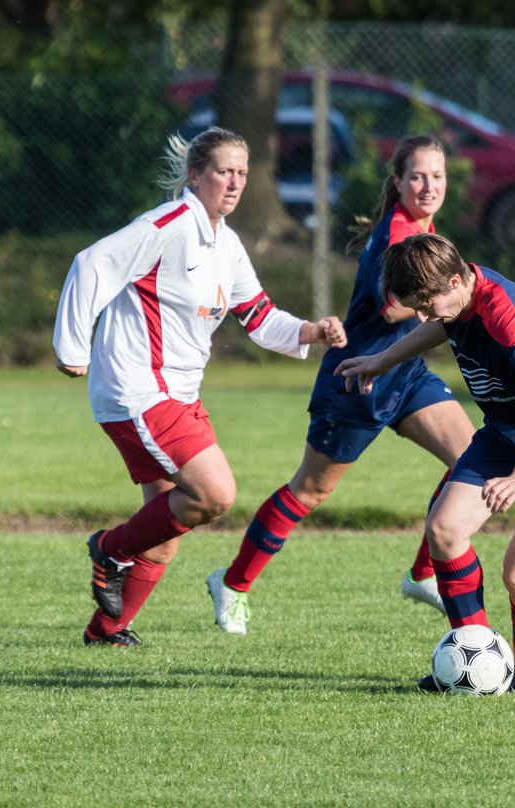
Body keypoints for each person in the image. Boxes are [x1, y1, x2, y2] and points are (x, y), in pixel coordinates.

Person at [53, 126, 347, 648]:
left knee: (166, 531)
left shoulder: (226, 244)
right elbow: (90, 263)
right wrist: (72, 347)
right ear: (195, 174)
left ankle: (105, 631)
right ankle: (109, 550)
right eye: (222, 171)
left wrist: (311, 331)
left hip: (176, 395)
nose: (233, 183)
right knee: (214, 493)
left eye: (242, 173)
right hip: (138, 389)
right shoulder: (169, 224)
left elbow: (257, 316)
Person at [206, 135, 477, 635]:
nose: (428, 186)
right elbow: (392, 306)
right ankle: (233, 582)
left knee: (472, 460)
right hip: (358, 377)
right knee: (308, 491)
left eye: (437, 176)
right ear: (397, 182)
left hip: (406, 371)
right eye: (417, 176)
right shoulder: (399, 233)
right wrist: (451, 297)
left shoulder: (422, 226)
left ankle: (424, 574)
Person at [337, 232, 515, 692]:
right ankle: (475, 659)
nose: (426, 316)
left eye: (428, 304)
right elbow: (443, 324)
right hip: (508, 431)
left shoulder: (509, 318)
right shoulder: (455, 297)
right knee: (444, 530)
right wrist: (383, 360)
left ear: (456, 280)